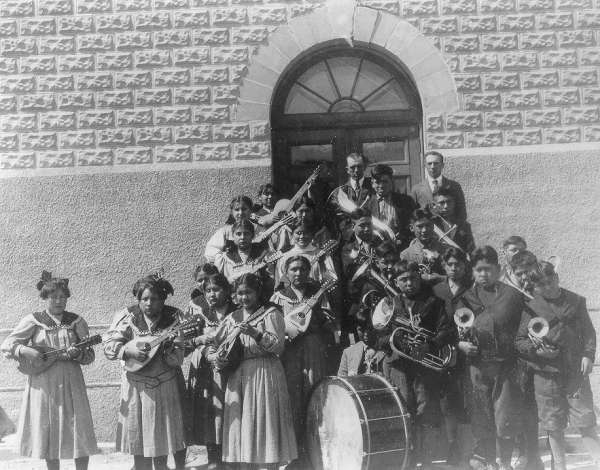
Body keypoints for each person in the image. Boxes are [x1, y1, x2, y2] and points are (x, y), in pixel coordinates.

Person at [1, 272, 98, 470]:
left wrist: (77, 354)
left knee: (79, 429)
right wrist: (24, 349)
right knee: (50, 430)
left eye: (63, 297)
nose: (59, 301)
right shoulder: (34, 320)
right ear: (44, 298)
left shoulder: (77, 321)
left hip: (72, 383)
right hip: (43, 384)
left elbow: (89, 356)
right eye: (53, 297)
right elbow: (8, 343)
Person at [516, 261, 600, 470]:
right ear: (535, 287)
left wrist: (588, 355)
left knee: (585, 419)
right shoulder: (531, 306)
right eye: (542, 284)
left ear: (557, 277)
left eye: (551, 280)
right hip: (546, 374)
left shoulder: (576, 301)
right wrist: (537, 351)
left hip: (575, 372)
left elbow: (589, 333)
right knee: (552, 423)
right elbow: (519, 341)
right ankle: (559, 466)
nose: (548, 286)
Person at [373, 260, 456, 469]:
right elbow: (378, 337)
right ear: (396, 282)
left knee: (426, 411)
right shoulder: (388, 304)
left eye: (413, 278)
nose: (409, 283)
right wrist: (398, 340)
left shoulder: (434, 302)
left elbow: (446, 330)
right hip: (398, 365)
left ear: (419, 279)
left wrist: (429, 345)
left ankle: (427, 461)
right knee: (404, 411)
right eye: (404, 280)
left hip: (424, 366)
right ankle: (407, 462)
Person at [211, 273, 297, 470]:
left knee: (264, 420)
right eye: (239, 293)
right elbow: (215, 345)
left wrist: (256, 334)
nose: (244, 298)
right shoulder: (232, 318)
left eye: (248, 292)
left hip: (265, 372)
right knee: (244, 423)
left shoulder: (271, 313)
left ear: (258, 292)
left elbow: (278, 347)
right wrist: (215, 357)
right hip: (238, 375)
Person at [104, 273, 186, 470]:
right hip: (135, 385)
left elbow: (177, 359)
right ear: (138, 299)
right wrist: (127, 350)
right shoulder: (127, 316)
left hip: (163, 385)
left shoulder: (175, 318)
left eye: (155, 299)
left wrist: (167, 349)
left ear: (163, 299)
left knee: (161, 441)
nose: (149, 303)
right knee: (138, 439)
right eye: (144, 299)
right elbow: (109, 346)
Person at [457, 246, 524, 470]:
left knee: (504, 416)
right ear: (473, 272)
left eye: (488, 269)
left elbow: (523, 328)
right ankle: (490, 462)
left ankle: (505, 463)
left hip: (505, 366)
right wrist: (461, 344)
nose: (483, 274)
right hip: (477, 367)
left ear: (498, 269)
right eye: (478, 270)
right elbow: (452, 330)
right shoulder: (465, 298)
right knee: (482, 415)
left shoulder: (513, 295)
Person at [271, 256, 336, 468]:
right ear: (286, 273)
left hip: (313, 347)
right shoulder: (279, 296)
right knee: (293, 396)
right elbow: (274, 324)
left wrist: (321, 319)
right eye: (293, 270)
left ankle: (315, 450)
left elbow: (328, 321)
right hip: (290, 351)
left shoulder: (318, 293)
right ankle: (296, 452)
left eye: (302, 269)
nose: (298, 273)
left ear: (308, 271)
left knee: (314, 390)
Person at [185, 273, 236, 470]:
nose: (212, 295)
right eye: (208, 291)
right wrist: (200, 341)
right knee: (209, 410)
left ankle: (231, 456)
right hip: (205, 367)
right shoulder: (200, 315)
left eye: (216, 289)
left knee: (229, 408)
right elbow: (186, 342)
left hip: (231, 366)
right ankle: (213, 457)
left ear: (227, 291)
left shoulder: (237, 312)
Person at [432, 247, 472, 466]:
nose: (454, 268)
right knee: (447, 403)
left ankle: (464, 453)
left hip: (467, 355)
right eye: (450, 264)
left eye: (458, 264)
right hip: (444, 353)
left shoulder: (471, 290)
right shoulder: (437, 290)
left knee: (465, 402)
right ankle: (451, 451)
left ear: (464, 267)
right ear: (444, 267)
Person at [214, 219, 274, 296]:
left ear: (252, 235)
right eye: (238, 234)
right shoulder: (224, 258)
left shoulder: (262, 255)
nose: (242, 237)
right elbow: (219, 284)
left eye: (246, 234)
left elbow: (270, 282)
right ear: (233, 236)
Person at [363, 163, 416, 249]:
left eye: (385, 181)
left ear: (392, 181)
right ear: (372, 183)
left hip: (402, 248)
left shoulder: (406, 201)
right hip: (377, 249)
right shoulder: (367, 204)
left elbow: (413, 225)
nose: (381, 186)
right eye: (377, 182)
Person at [411, 150, 467, 223]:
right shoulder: (417, 189)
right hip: (428, 231)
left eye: (436, 163)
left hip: (450, 230)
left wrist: (454, 229)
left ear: (442, 165)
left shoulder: (454, 186)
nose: (433, 166)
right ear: (425, 165)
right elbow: (413, 214)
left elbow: (462, 213)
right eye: (429, 163)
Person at [327, 153, 373, 239]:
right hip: (349, 241)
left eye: (359, 166)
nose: (356, 170)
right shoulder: (339, 193)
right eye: (352, 167)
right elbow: (337, 220)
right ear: (347, 169)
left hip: (371, 237)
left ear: (364, 167)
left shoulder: (374, 189)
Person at [204, 196, 256, 263]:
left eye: (244, 209)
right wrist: (227, 260)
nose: (240, 213)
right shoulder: (225, 232)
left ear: (250, 210)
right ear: (232, 212)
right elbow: (210, 251)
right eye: (237, 210)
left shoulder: (258, 229)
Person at [400, 208, 446, 284]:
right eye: (420, 226)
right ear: (411, 228)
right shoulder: (406, 255)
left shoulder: (444, 247)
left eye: (428, 225)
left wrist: (441, 278)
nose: (425, 230)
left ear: (433, 226)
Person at [431, 188, 475, 254]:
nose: (446, 206)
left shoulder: (464, 226)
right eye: (441, 203)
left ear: (454, 203)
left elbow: (471, 251)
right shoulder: (430, 225)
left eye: (449, 202)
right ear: (434, 205)